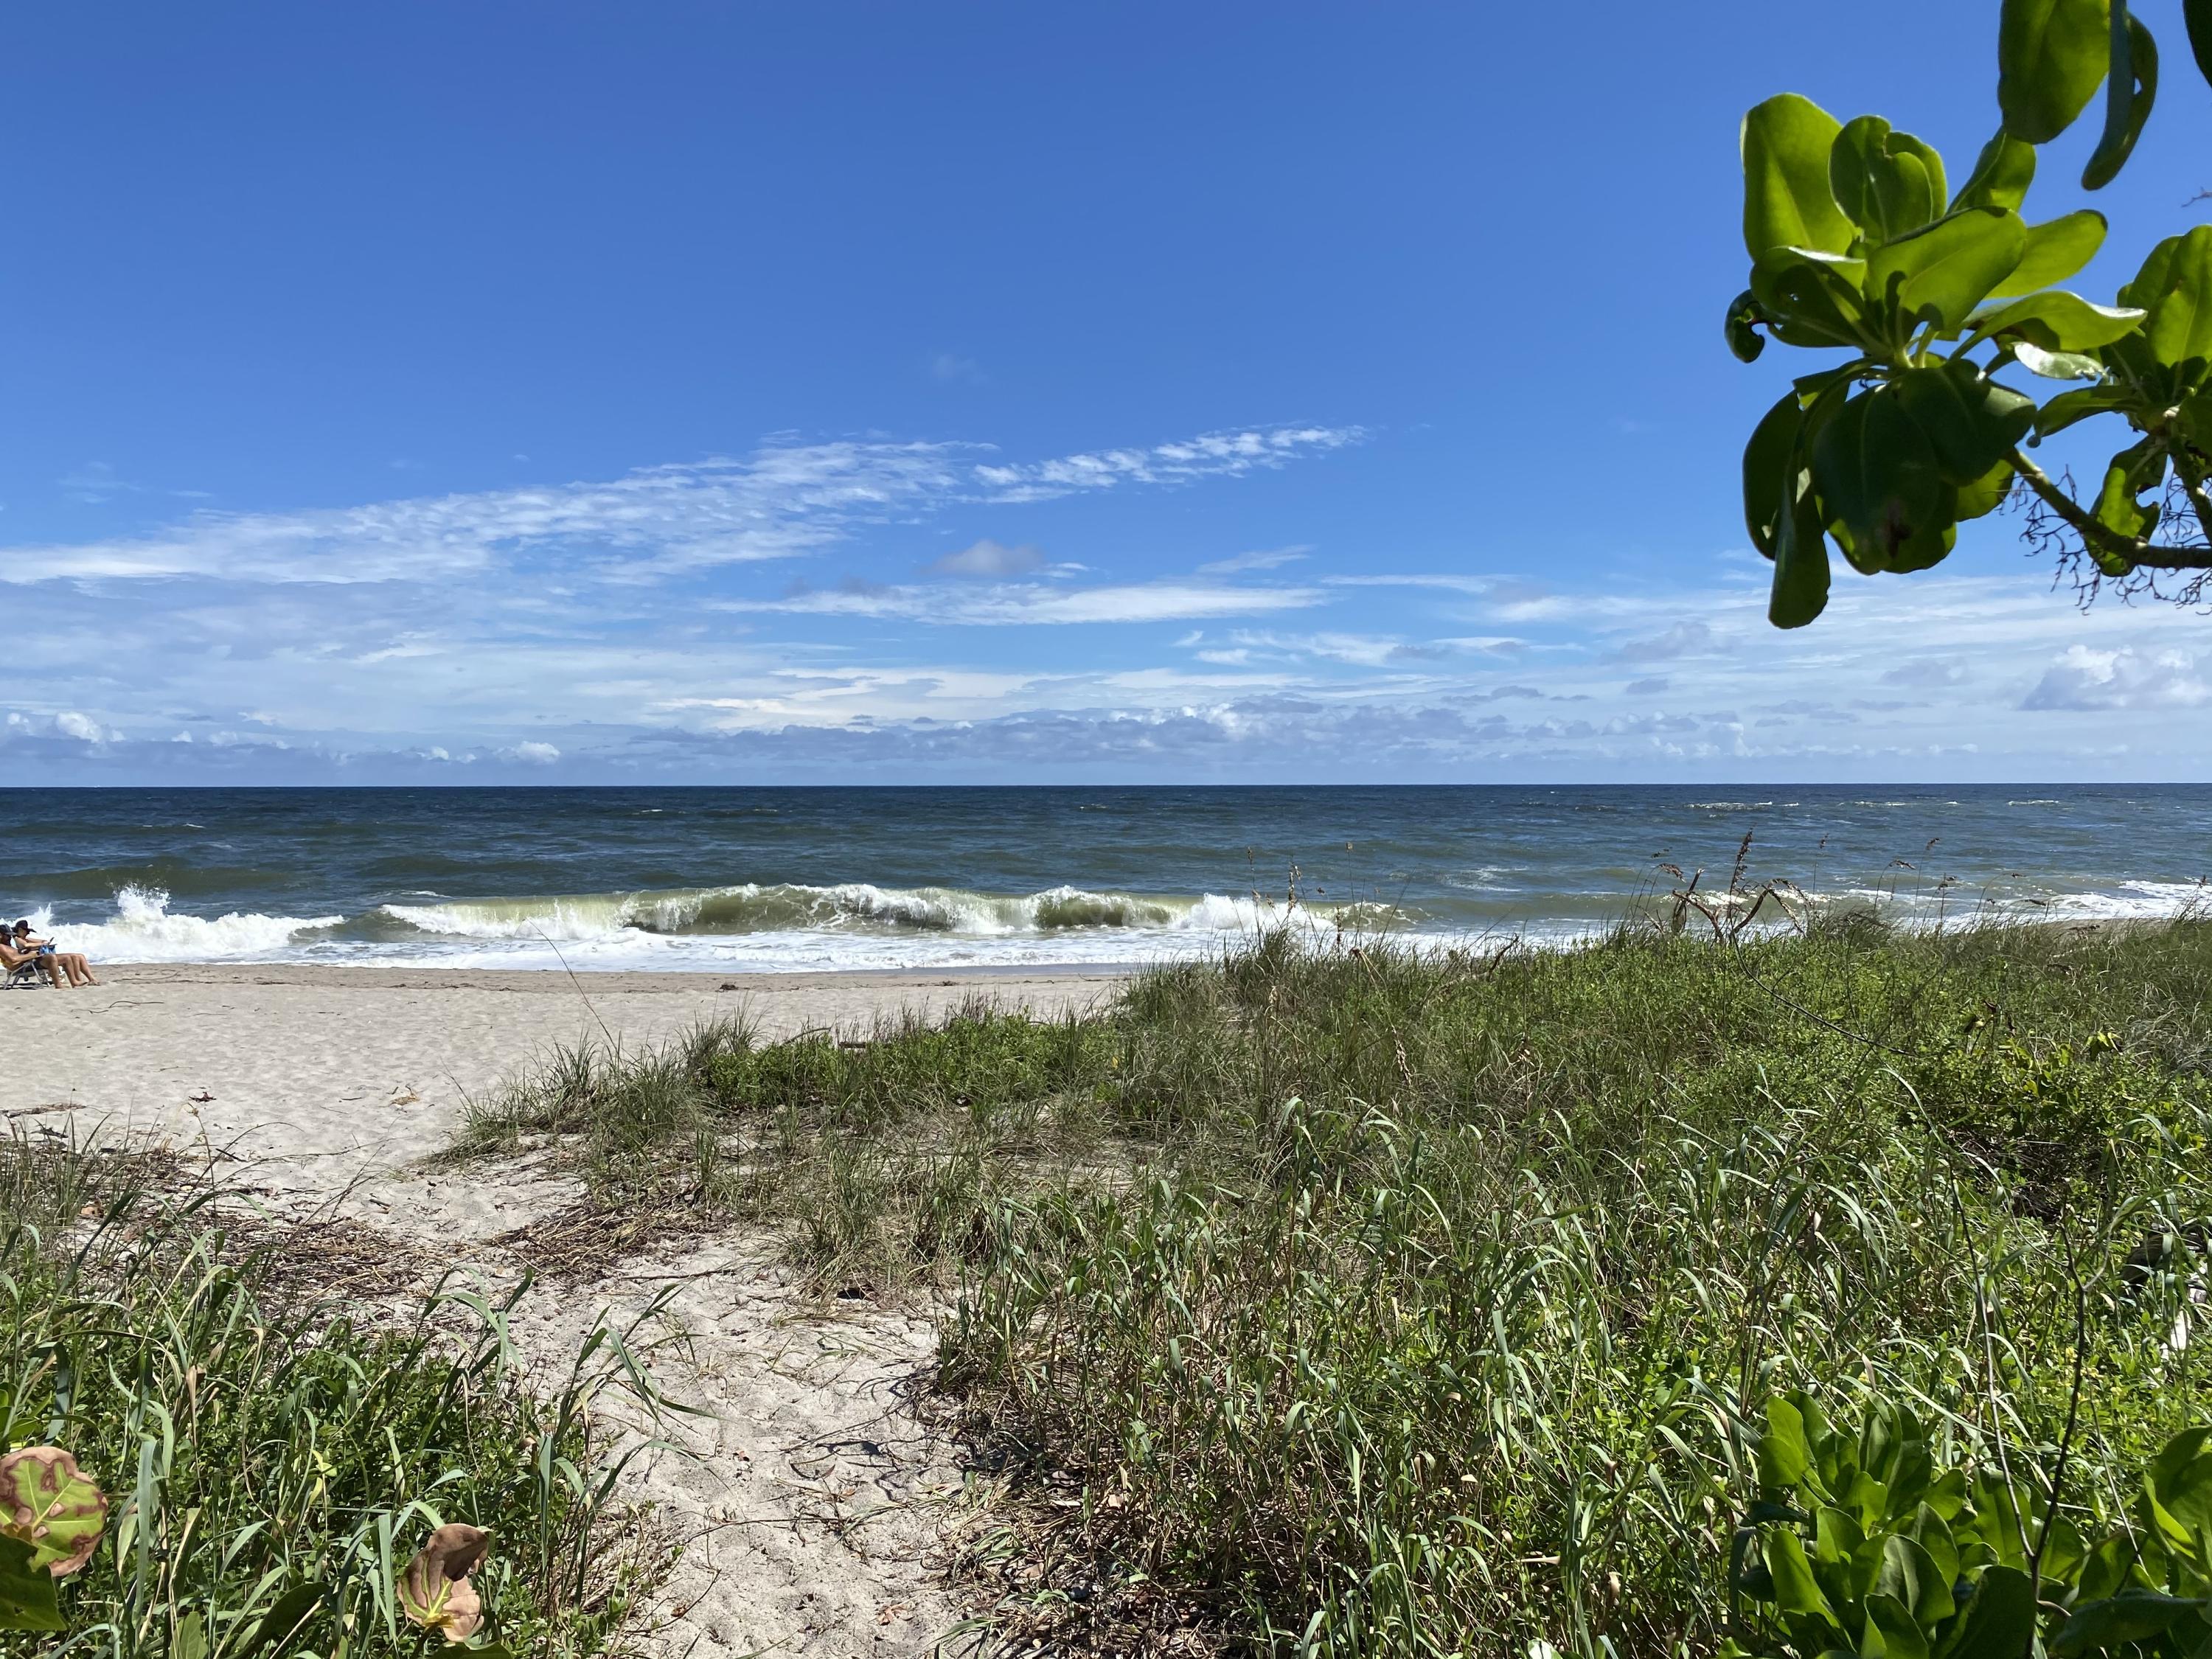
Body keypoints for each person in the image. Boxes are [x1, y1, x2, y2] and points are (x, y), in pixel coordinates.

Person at [10, 919, 97, 987]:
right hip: (32, 962)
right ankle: (76, 981)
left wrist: (44, 942)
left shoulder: (25, 938)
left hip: (40, 958)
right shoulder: (17, 938)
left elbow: (41, 941)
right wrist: (41, 944)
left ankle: (91, 979)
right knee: (69, 958)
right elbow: (25, 945)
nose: (28, 933)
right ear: (20, 929)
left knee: (79, 956)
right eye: (27, 931)